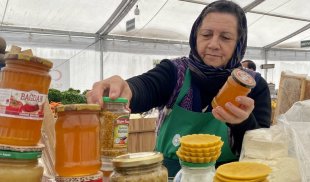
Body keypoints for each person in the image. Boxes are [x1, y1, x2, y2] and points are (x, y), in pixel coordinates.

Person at [87, 0, 271, 177]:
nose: (214, 44)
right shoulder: (176, 73)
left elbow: (262, 150)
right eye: (206, 34)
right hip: (168, 175)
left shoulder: (252, 86)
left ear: (239, 43)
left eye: (225, 37)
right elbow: (146, 86)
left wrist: (243, 123)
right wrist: (126, 89)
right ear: (195, 36)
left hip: (228, 177)